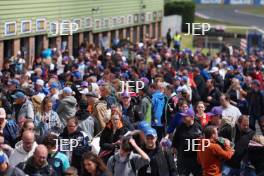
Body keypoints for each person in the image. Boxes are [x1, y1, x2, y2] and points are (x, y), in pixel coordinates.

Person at [172, 108, 202, 176]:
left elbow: (202, 143)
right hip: (183, 157)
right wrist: (174, 147)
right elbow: (176, 138)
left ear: (192, 117)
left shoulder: (198, 127)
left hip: (195, 159)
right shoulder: (180, 126)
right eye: (183, 116)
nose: (183, 118)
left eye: (185, 116)